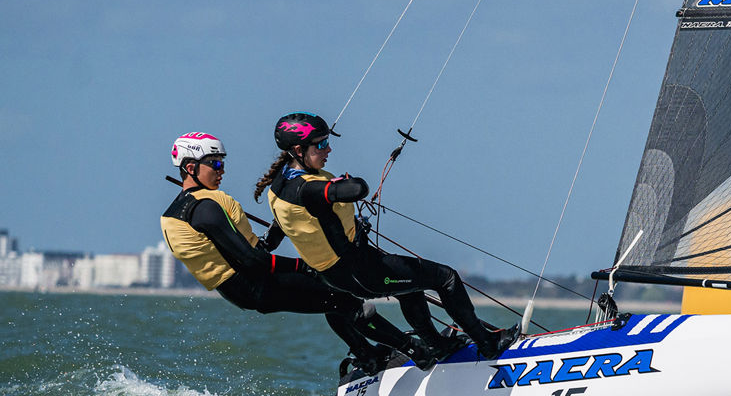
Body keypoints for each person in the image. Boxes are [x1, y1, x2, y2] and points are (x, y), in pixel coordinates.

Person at [254, 113, 517, 366]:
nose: (328, 149)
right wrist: (345, 183)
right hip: (359, 272)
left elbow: (283, 222)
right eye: (321, 145)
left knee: (411, 287)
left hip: (342, 271)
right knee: (446, 278)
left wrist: (266, 244)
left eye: (327, 142)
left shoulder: (280, 185)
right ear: (298, 150)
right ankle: (488, 343)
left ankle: (437, 346)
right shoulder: (307, 189)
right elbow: (358, 189)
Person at [161, 131, 413, 374]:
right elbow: (252, 259)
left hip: (244, 287)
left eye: (222, 163)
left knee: (335, 300)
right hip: (255, 283)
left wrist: (283, 223)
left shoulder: (179, 210)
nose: (221, 170)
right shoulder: (204, 208)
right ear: (190, 168)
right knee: (345, 299)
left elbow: (252, 250)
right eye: (215, 164)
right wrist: (303, 266)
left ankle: (369, 357)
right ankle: (414, 350)